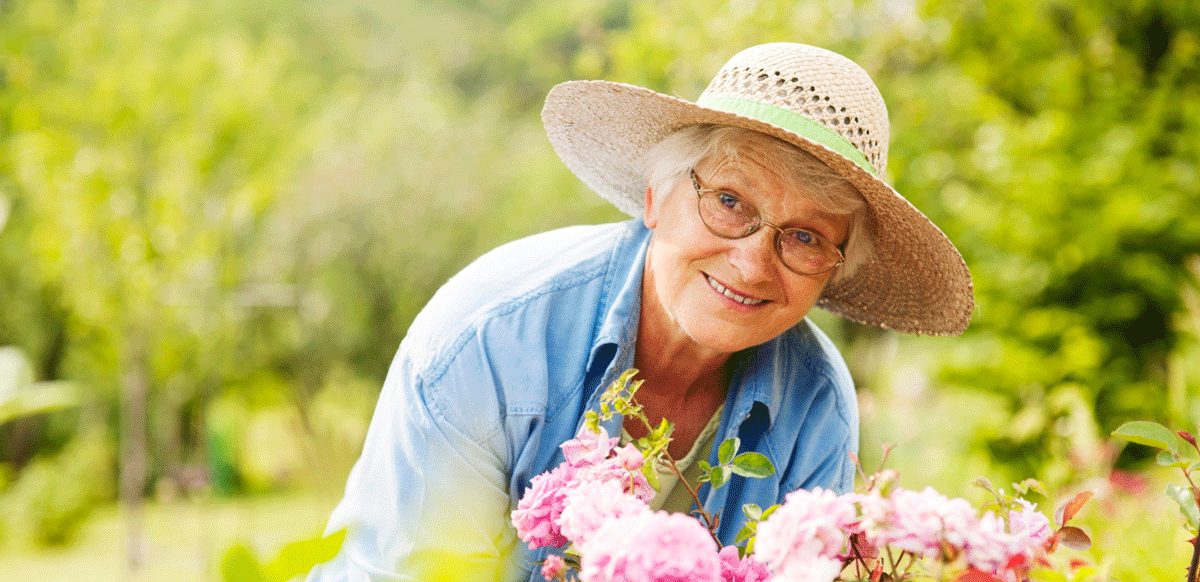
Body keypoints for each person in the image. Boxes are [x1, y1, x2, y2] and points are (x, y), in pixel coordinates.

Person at [307, 42, 973, 582]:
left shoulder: (816, 404)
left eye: (804, 237)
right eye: (731, 202)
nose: (751, 264)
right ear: (656, 198)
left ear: (832, 270)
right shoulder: (492, 338)